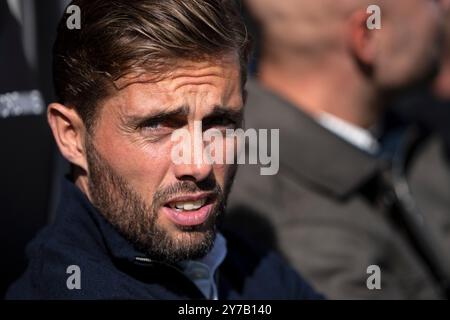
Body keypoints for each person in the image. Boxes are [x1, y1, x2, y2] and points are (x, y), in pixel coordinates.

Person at [6, 0, 322, 300]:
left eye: (219, 122)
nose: (199, 164)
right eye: (158, 126)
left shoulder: (250, 265)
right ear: (71, 136)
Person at [227, 0, 450, 299]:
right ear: (367, 37)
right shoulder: (289, 233)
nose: (446, 7)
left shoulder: (408, 135)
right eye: (432, 2)